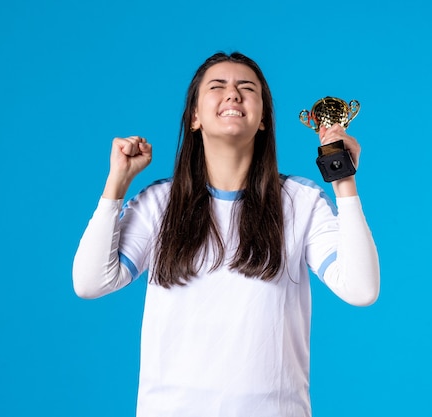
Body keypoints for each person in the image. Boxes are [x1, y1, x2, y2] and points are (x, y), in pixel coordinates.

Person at [72, 51, 380, 417]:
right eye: (217, 87)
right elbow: (90, 282)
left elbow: (362, 290)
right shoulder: (159, 203)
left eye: (247, 88)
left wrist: (342, 178)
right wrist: (116, 184)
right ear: (195, 118)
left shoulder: (300, 201)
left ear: (263, 118)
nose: (233, 94)